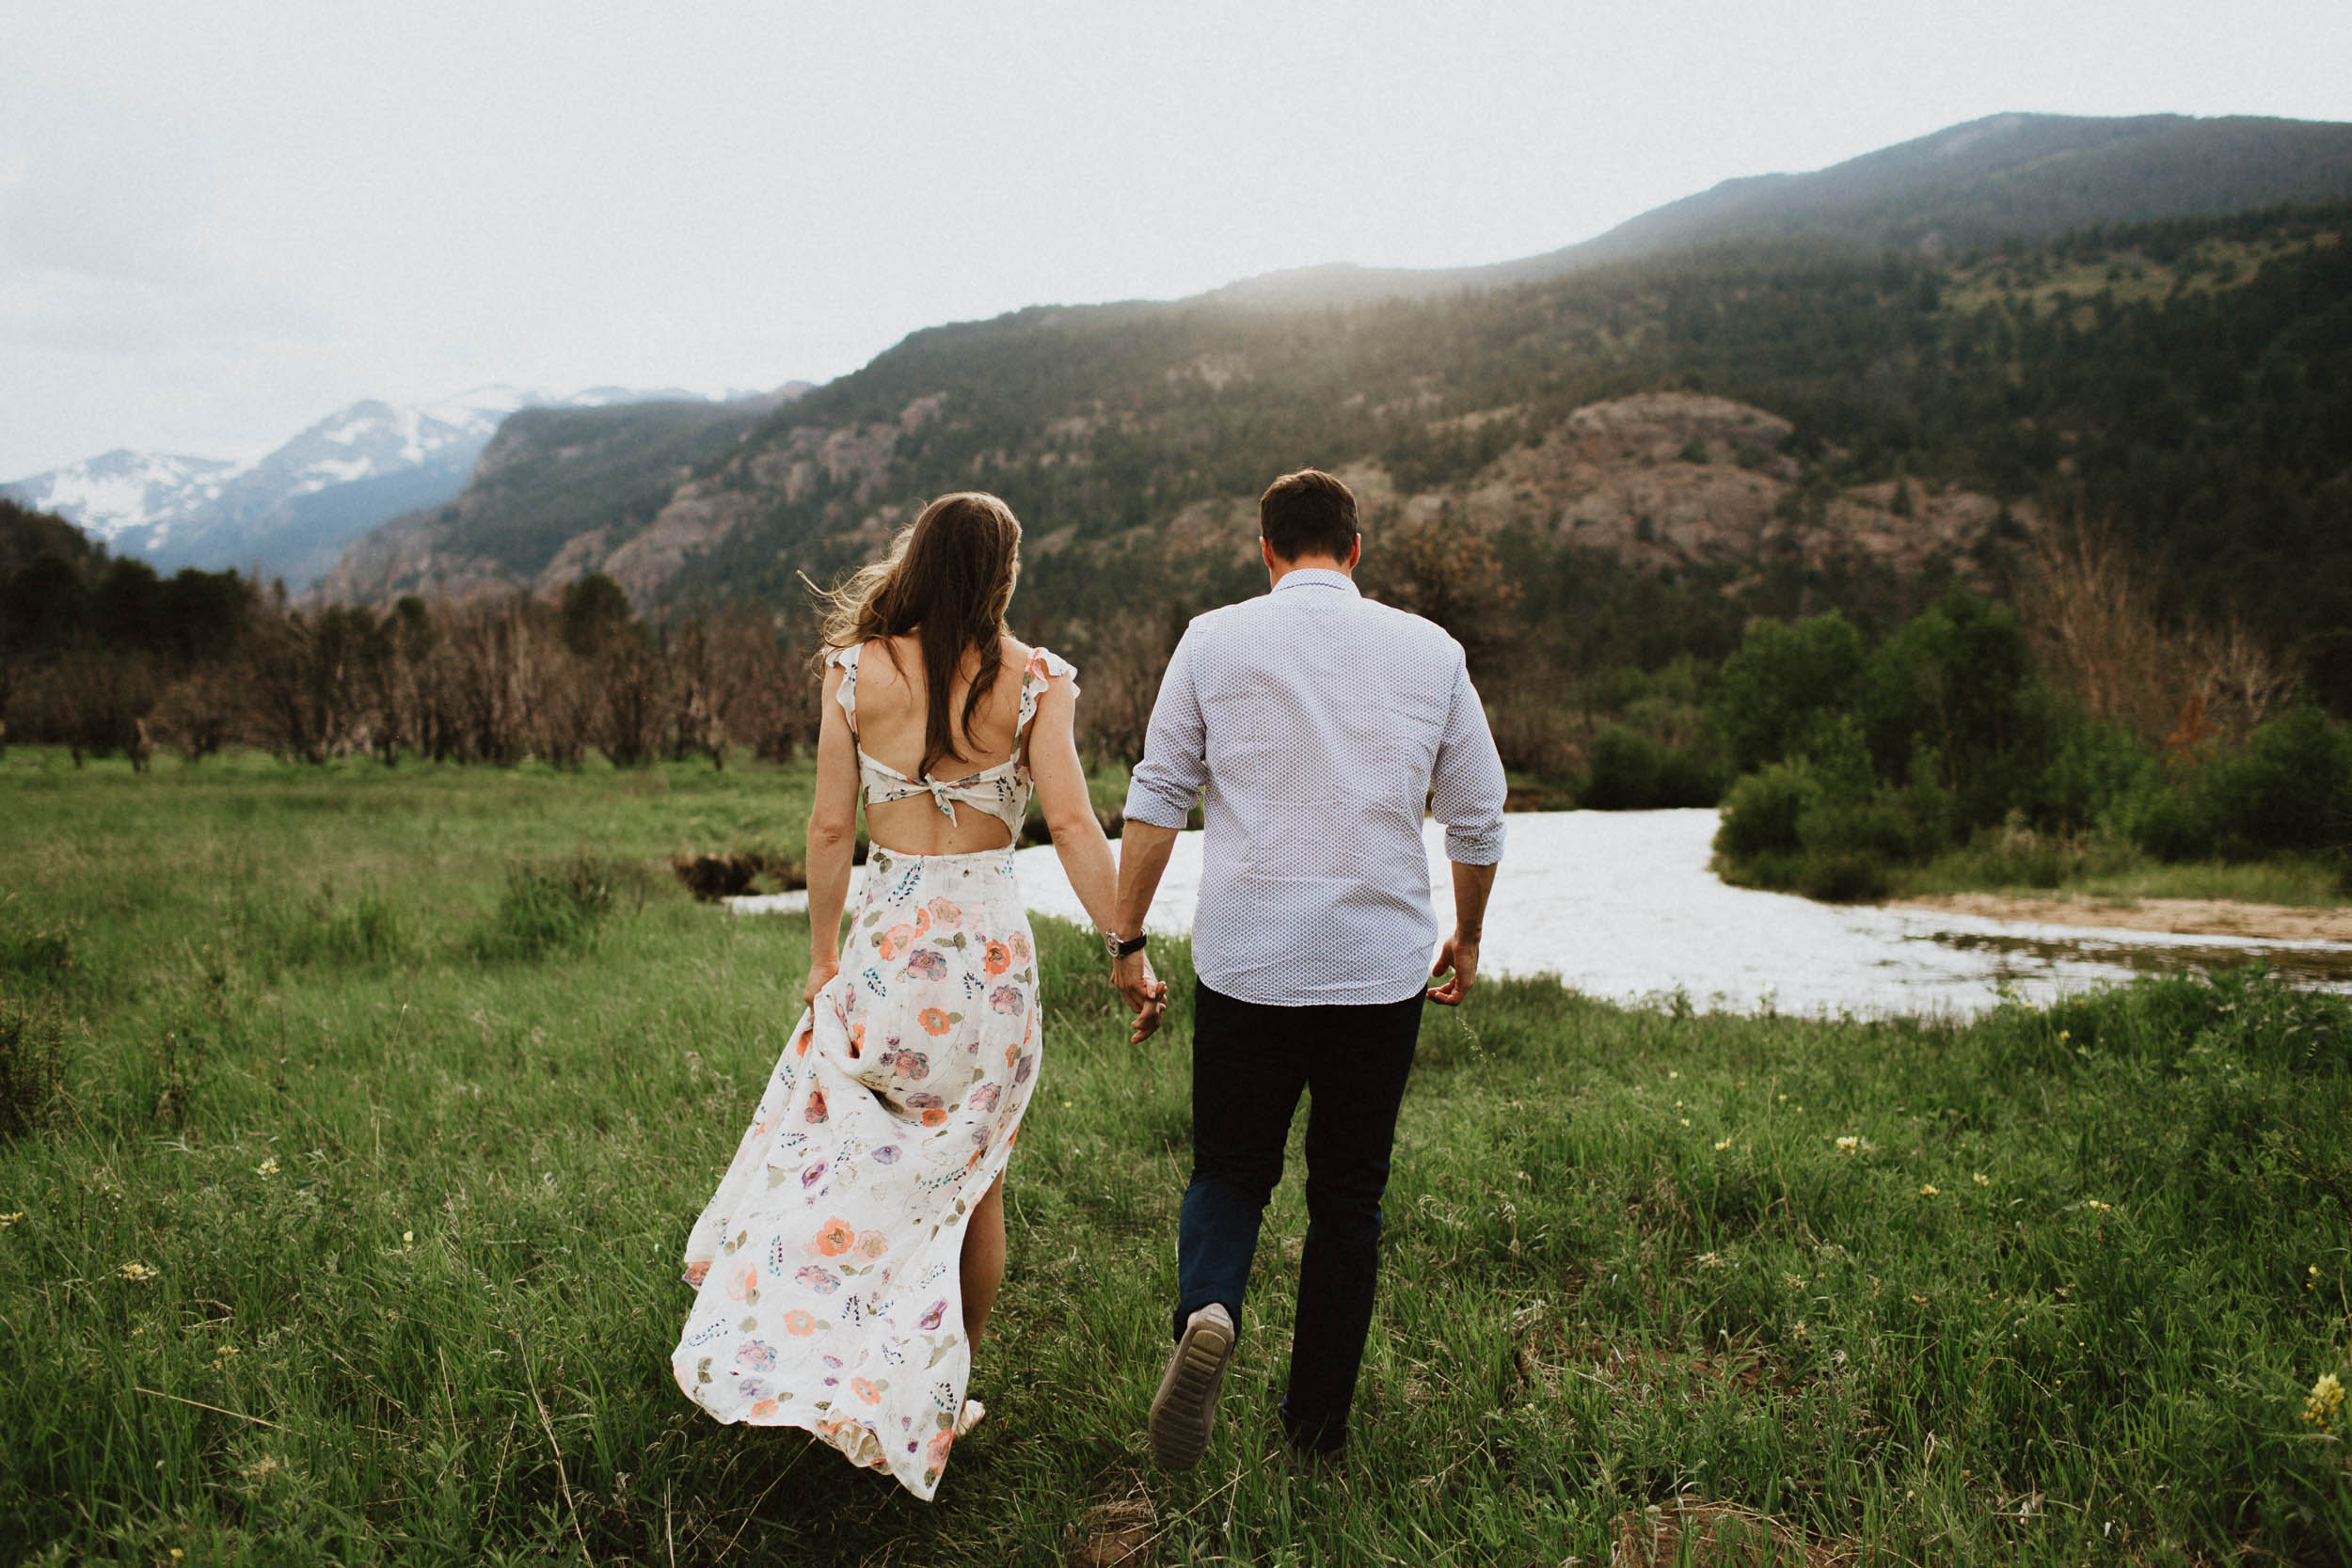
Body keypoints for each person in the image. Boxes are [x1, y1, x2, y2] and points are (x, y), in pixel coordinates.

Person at [671, 492, 1146, 1499]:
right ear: (1003, 575)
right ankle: (940, 1393)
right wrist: (1125, 943)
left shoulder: (854, 671)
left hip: (885, 952)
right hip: (984, 967)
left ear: (917, 560)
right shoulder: (1035, 682)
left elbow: (829, 830)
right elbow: (1068, 823)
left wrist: (818, 958)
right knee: (973, 1183)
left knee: (847, 1157)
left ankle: (819, 1350)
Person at [1110, 467, 1506, 1470]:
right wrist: (1464, 934)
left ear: (1266, 551)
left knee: (1231, 1170)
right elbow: (1477, 814)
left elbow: (1158, 795)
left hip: (1247, 963)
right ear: (1356, 548)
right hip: (1378, 969)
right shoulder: (1430, 650)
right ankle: (1316, 1432)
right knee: (1348, 1196)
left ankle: (1209, 1306)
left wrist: (1127, 939)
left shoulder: (1213, 637)